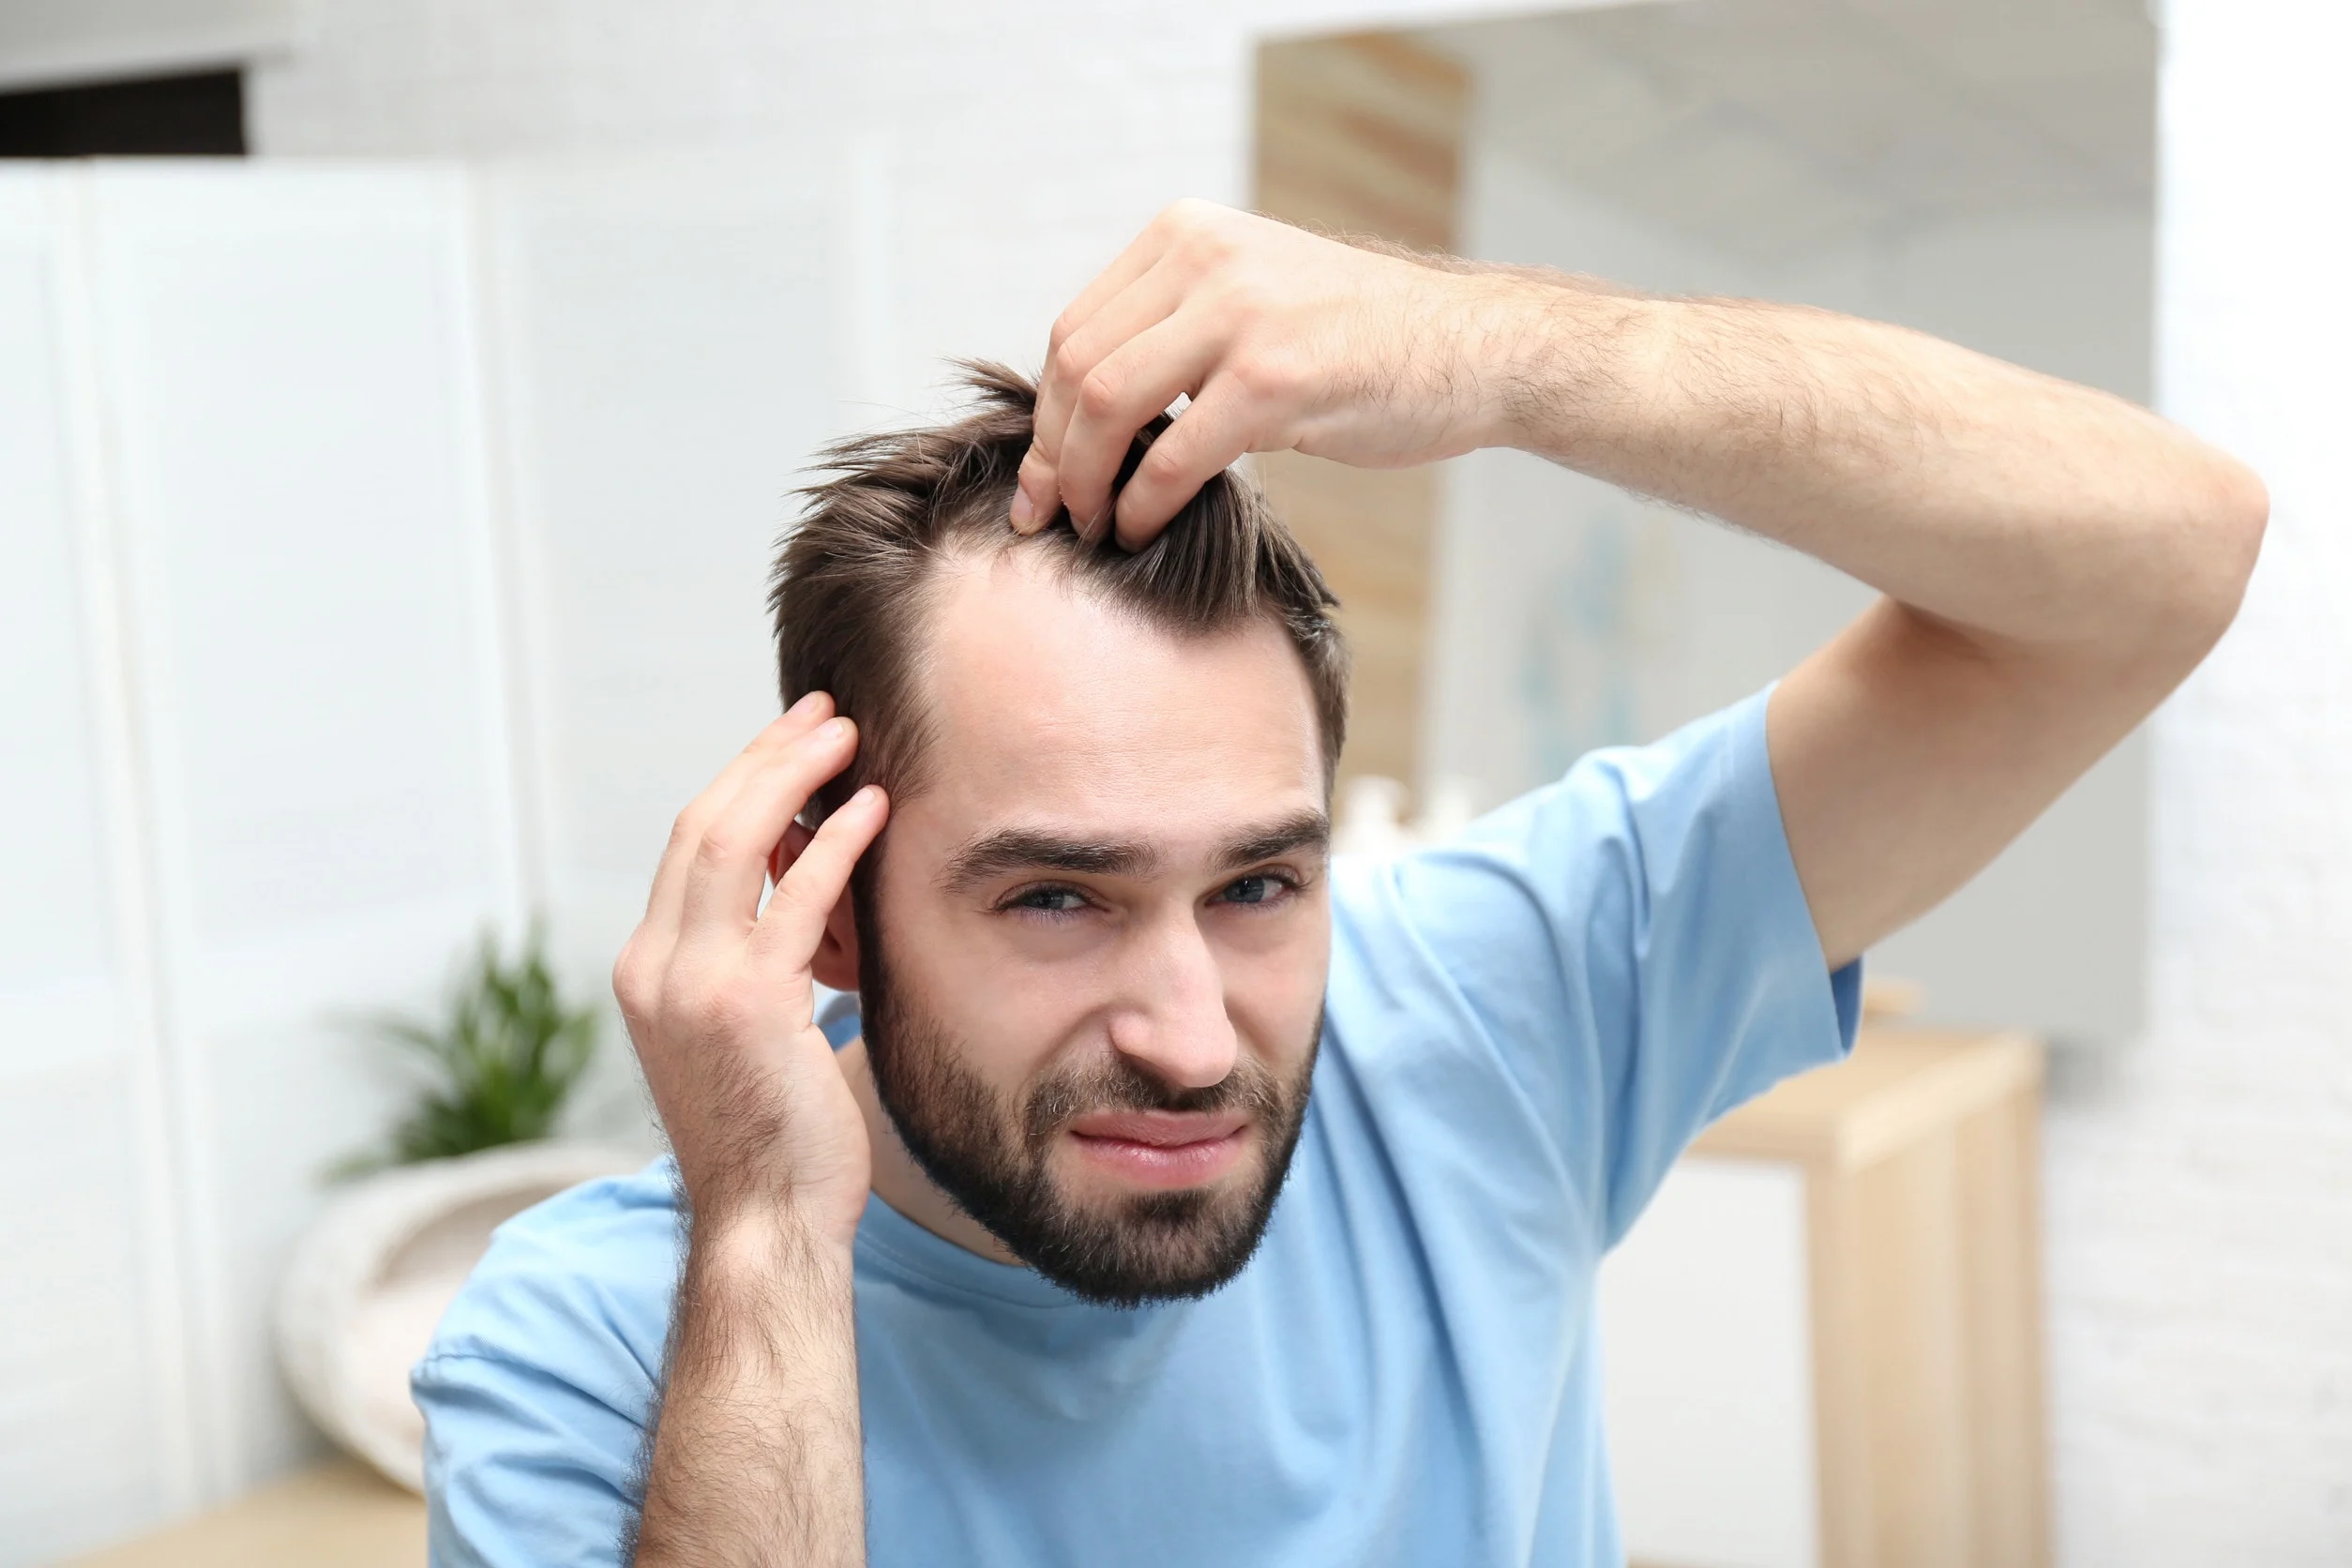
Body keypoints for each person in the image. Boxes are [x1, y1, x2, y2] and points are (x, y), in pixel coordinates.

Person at [415, 201, 2265, 1567]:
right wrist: (764, 1234)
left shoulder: (1482, 1010)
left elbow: (2165, 558)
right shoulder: (594, 1352)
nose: (1192, 1031)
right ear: (829, 902)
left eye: (1259, 883)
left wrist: (1514, 352)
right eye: (1057, 896)